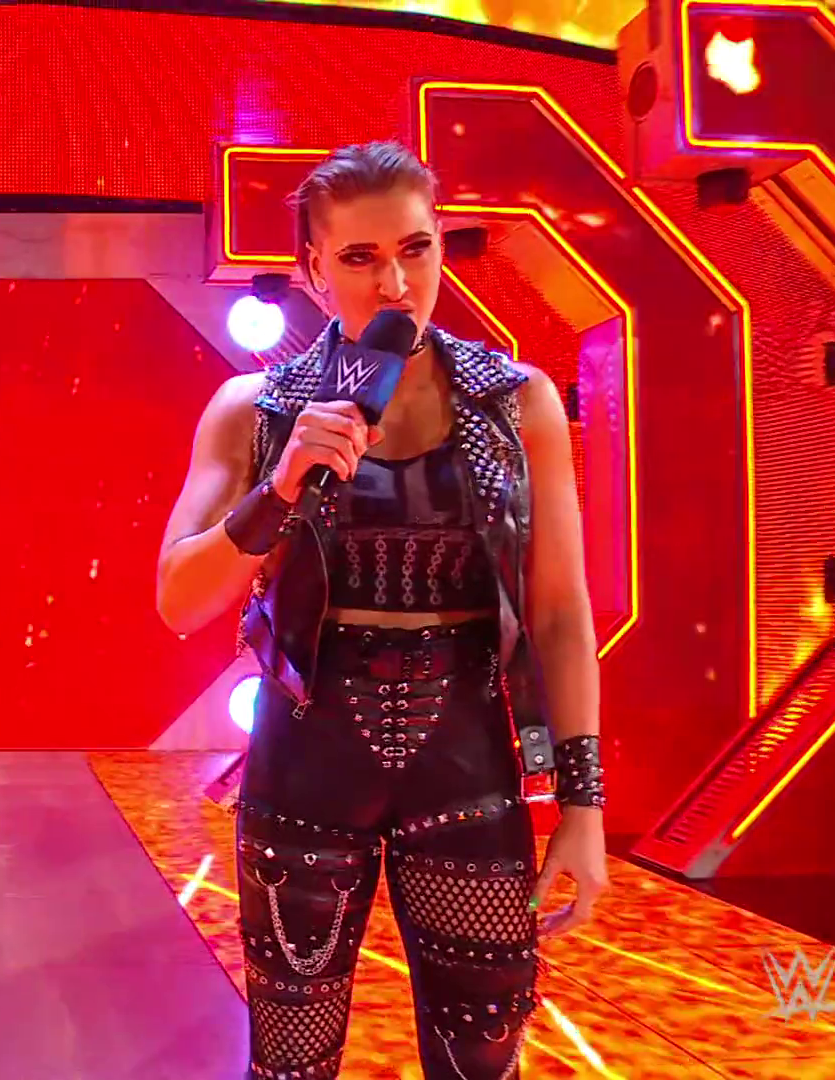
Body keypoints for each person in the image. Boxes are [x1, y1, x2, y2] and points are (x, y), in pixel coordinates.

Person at [156, 141, 608, 1078]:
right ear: (314, 269)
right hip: (305, 764)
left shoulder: (516, 403)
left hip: (467, 764)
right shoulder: (255, 409)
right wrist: (280, 486)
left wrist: (583, 802)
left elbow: (561, 613)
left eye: (416, 249)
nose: (396, 283)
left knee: (483, 1052)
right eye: (361, 257)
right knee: (292, 1060)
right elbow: (178, 600)